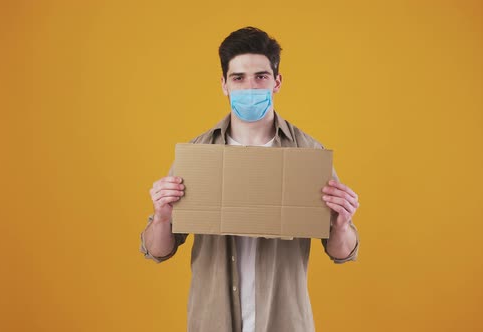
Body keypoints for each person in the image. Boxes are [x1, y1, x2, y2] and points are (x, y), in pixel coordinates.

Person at [140, 27, 360, 332]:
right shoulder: (199, 155)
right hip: (212, 322)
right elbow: (158, 251)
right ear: (224, 85)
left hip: (284, 322)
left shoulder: (308, 153)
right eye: (238, 78)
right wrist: (162, 219)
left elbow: (341, 252)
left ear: (277, 82)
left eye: (261, 76)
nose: (250, 87)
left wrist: (343, 224)